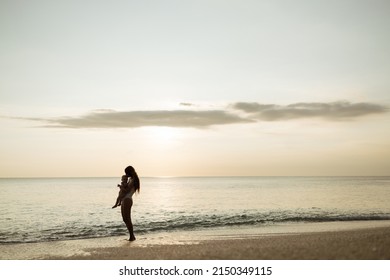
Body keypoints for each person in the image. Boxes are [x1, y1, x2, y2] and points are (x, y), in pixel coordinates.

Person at [120, 165, 140, 241]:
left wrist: (121, 187)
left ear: (129, 172)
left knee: (128, 218)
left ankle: (132, 236)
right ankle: (131, 235)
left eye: (126, 173)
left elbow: (127, 190)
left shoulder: (134, 179)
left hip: (127, 199)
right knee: (124, 219)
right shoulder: (130, 179)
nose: (126, 175)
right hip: (124, 199)